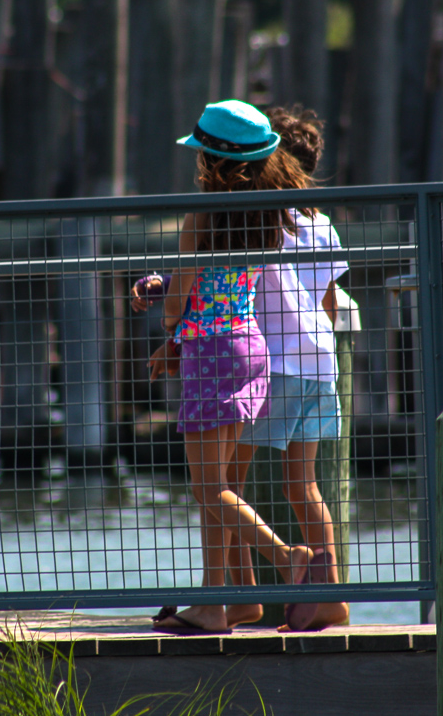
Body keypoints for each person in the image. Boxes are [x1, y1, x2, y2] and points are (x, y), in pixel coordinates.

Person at [131, 99, 320, 635]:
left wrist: (170, 328)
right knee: (217, 488)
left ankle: (286, 557)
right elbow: (216, 284)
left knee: (209, 490)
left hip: (211, 356)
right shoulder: (264, 214)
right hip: (248, 348)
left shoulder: (202, 214)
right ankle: (215, 604)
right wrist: (172, 291)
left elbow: (181, 302)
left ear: (211, 160)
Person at [227, 105, 351, 632]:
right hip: (320, 362)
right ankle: (333, 598)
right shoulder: (322, 223)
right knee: (304, 486)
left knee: (225, 482)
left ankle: (243, 597)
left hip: (274, 365)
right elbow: (328, 300)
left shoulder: (266, 218)